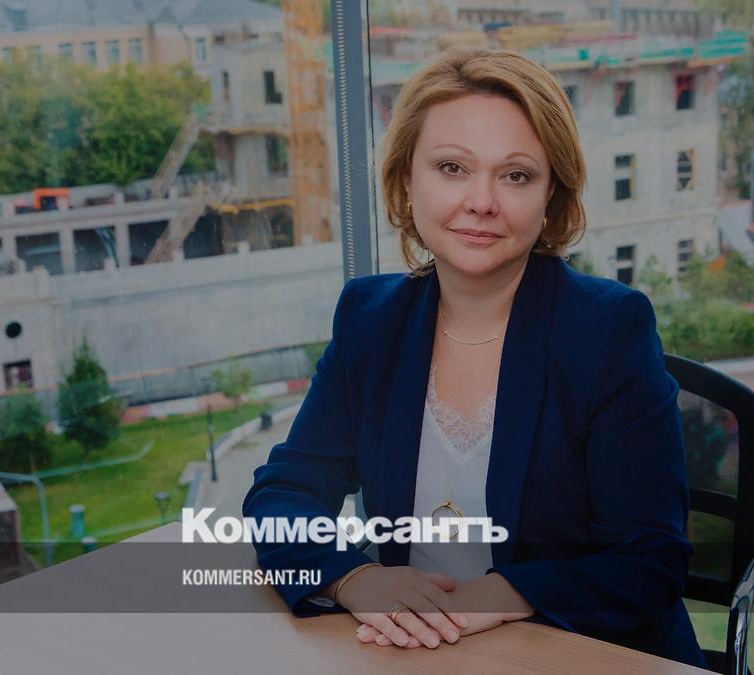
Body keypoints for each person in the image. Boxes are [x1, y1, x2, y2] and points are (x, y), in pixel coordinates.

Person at [242, 48, 703, 667]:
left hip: (575, 654)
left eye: (516, 175)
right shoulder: (370, 321)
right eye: (452, 167)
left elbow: (650, 560)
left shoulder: (608, 330)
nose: (481, 201)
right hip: (417, 654)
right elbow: (284, 494)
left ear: (551, 195)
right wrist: (353, 578)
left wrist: (494, 597)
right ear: (407, 181)